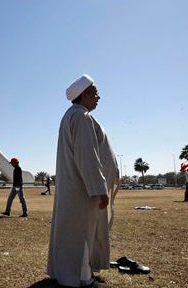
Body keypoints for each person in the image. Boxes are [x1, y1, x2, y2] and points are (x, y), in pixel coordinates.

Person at [47, 74, 119, 287]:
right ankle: (82, 279)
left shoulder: (71, 116)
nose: (98, 97)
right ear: (84, 94)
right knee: (83, 233)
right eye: (95, 93)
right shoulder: (81, 117)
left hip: (76, 189)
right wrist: (99, 189)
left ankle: (66, 273)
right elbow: (87, 156)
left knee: (71, 232)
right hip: (83, 191)